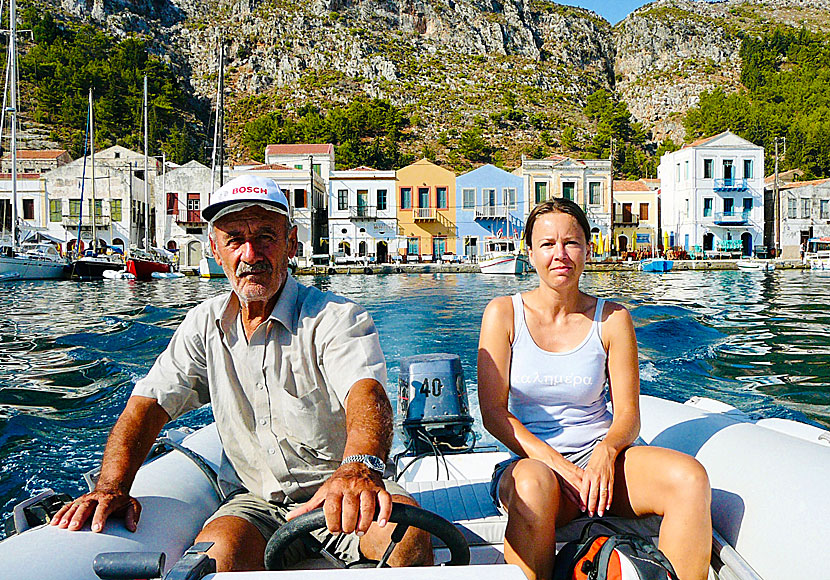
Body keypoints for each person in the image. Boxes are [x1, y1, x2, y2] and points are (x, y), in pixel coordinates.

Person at [51, 174, 432, 571]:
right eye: (234, 239)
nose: (251, 253)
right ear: (216, 251)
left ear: (291, 243)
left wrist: (358, 467)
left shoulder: (337, 319)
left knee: (405, 538)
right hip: (258, 503)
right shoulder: (204, 325)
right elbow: (147, 406)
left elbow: (365, 393)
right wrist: (111, 487)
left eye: (266, 236)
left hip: (346, 490)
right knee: (215, 559)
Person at [477, 199, 711, 580]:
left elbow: (628, 416)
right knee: (533, 485)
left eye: (571, 242)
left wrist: (607, 451)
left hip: (603, 464)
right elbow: (494, 414)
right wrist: (562, 468)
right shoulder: (503, 314)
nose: (560, 254)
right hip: (536, 466)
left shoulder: (613, 318)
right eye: (548, 244)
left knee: (690, 479)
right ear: (530, 252)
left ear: (587, 248)